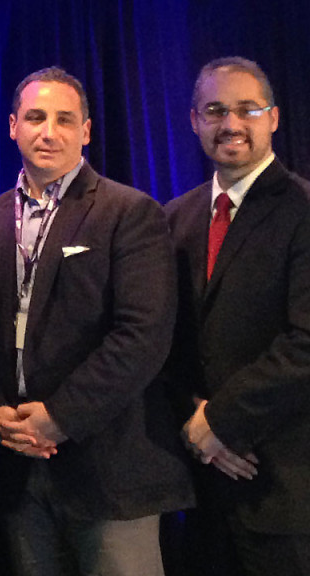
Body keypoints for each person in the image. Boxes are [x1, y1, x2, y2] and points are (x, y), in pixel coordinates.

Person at [0, 66, 193, 576]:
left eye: (64, 119)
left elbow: (142, 336)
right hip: (19, 470)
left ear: (86, 132)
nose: (48, 131)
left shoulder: (129, 212)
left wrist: (60, 417)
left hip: (110, 470)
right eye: (35, 117)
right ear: (12, 126)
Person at [164, 57, 310, 576]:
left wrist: (220, 422)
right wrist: (193, 422)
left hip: (285, 493)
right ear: (193, 121)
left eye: (248, 109)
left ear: (273, 118)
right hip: (197, 491)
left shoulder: (304, 210)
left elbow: (305, 345)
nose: (231, 124)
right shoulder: (172, 219)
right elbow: (161, 345)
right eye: (215, 110)